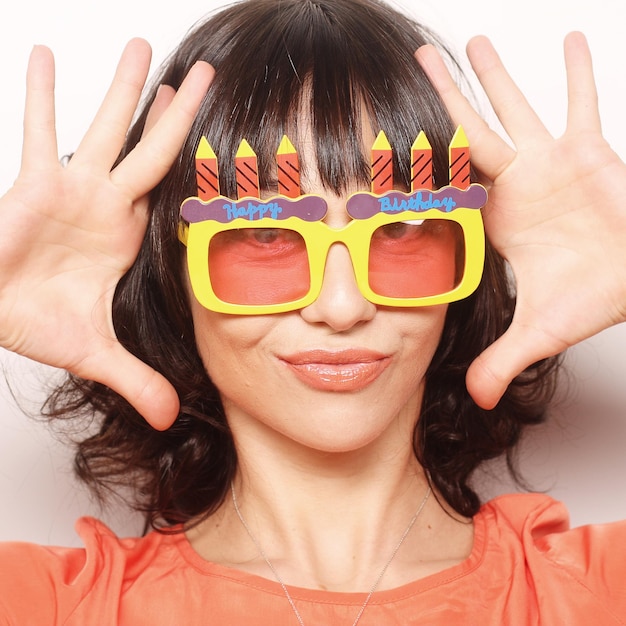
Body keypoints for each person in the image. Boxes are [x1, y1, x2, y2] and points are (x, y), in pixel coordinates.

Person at [0, 0, 625, 623]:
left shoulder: (603, 589)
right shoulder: (42, 603)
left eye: (402, 228)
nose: (343, 306)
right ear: (171, 270)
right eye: (264, 236)